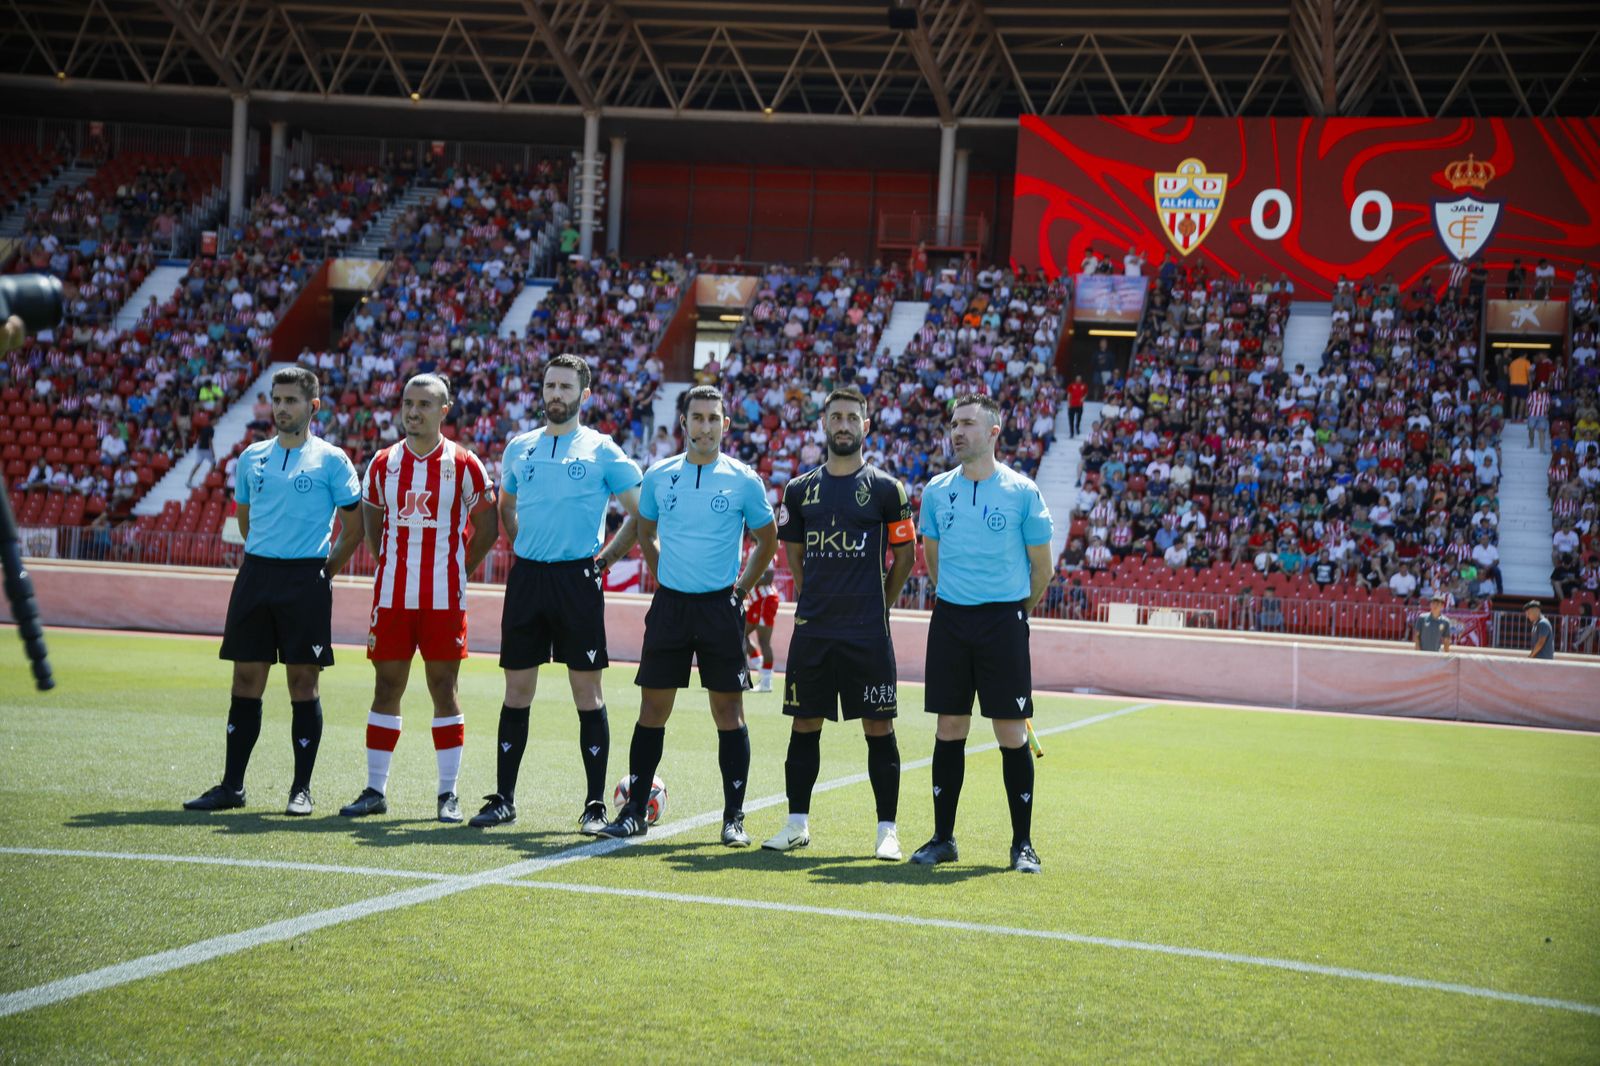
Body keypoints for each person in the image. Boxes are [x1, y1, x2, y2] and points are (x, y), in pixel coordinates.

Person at [596, 385, 778, 846]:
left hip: (721, 608)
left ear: (725, 425)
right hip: (671, 608)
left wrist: (741, 589)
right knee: (653, 709)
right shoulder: (659, 476)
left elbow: (767, 539)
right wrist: (665, 577)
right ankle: (635, 811)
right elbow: (646, 530)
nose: (705, 426)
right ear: (684, 423)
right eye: (697, 417)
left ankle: (733, 818)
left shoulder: (743, 479)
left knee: (728, 713)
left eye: (713, 418)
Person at [470, 355, 642, 832]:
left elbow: (639, 511)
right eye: (549, 385)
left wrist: (604, 561)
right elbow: (506, 504)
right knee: (516, 691)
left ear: (584, 395)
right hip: (528, 579)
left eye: (566, 386)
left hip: (576, 582)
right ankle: (504, 798)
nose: (556, 394)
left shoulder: (602, 449)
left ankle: (594, 805)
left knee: (587, 693)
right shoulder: (518, 448)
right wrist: (519, 537)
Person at [184, 366, 364, 815]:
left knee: (303, 683)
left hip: (307, 579)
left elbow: (354, 527)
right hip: (257, 575)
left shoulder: (332, 460)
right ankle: (232, 786)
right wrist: (264, 553)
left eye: (292, 401)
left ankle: (300, 789)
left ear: (313, 406)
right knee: (245, 680)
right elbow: (245, 519)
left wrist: (326, 571)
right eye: (277, 400)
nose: (282, 408)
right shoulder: (252, 457)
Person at [760, 388, 917, 860]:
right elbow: (794, 552)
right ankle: (796, 824)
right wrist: (815, 597)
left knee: (878, 727)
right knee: (804, 723)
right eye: (836, 417)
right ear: (824, 425)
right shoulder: (798, 490)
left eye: (852, 417)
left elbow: (905, 557)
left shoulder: (889, 489)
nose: (844, 424)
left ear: (866, 426)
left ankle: (887, 831)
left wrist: (881, 605)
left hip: (868, 632)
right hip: (814, 629)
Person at [339, 374, 498, 824]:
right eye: (408, 403)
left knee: (444, 689)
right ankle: (375, 790)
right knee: (386, 686)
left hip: (444, 599)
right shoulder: (382, 463)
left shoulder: (466, 464)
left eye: (424, 404)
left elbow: (487, 530)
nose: (413, 412)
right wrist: (389, 562)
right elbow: (371, 525)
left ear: (443, 410)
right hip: (392, 596)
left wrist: (456, 571)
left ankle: (448, 795)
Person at [912, 393, 1054, 873]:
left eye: (968, 423)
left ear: (994, 431)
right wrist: (958, 597)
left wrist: (1015, 613)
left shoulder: (1022, 492)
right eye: (954, 423)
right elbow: (933, 559)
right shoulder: (935, 491)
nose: (958, 431)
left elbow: (1043, 569)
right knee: (949, 729)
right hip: (951, 619)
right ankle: (943, 838)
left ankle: (1022, 845)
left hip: (1003, 623)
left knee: (1011, 734)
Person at [743, 568, 780, 694]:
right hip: (757, 601)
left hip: (765, 599)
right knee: (740, 635)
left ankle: (766, 682)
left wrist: (746, 581)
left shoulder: (764, 547)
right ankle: (761, 667)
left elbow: (769, 578)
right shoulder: (752, 549)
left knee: (764, 641)